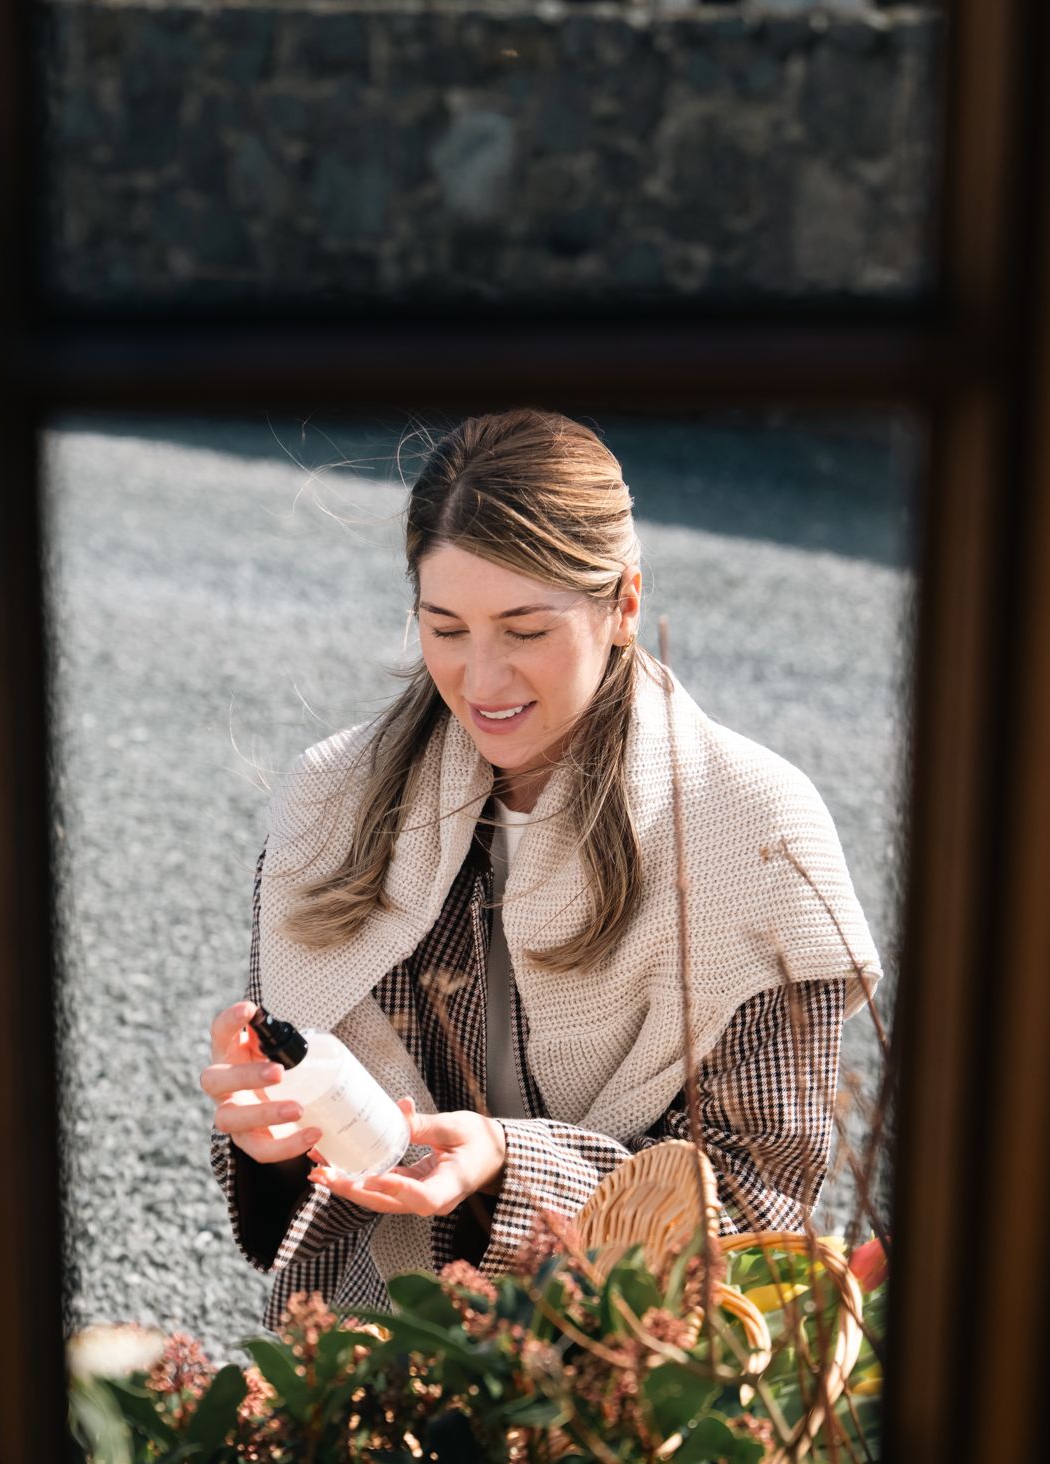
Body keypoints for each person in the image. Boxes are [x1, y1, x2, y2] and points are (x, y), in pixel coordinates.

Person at [203, 409, 881, 1331]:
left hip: (630, 1379)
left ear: (624, 604)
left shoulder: (756, 829)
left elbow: (760, 1203)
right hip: (366, 1357)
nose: (481, 680)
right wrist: (270, 1137)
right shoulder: (333, 802)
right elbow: (291, 1206)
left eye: (524, 630)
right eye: (444, 627)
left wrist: (508, 1160)